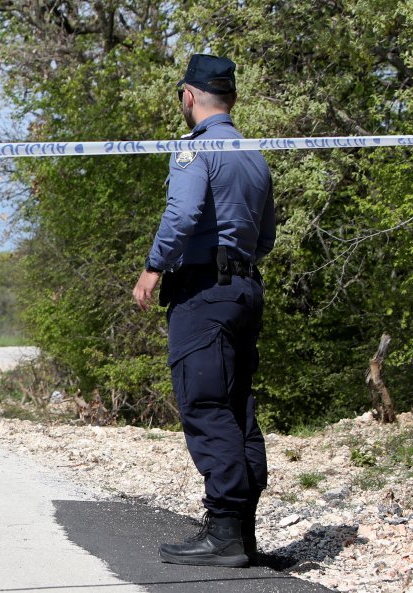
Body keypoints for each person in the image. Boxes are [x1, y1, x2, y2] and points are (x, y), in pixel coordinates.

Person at [131, 54, 276, 568]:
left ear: (188, 97)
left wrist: (154, 266)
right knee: (238, 410)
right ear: (231, 98)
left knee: (206, 405)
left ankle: (223, 534)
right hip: (244, 289)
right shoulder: (255, 153)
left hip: (203, 294)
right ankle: (243, 531)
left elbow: (184, 212)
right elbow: (266, 236)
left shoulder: (195, 151)